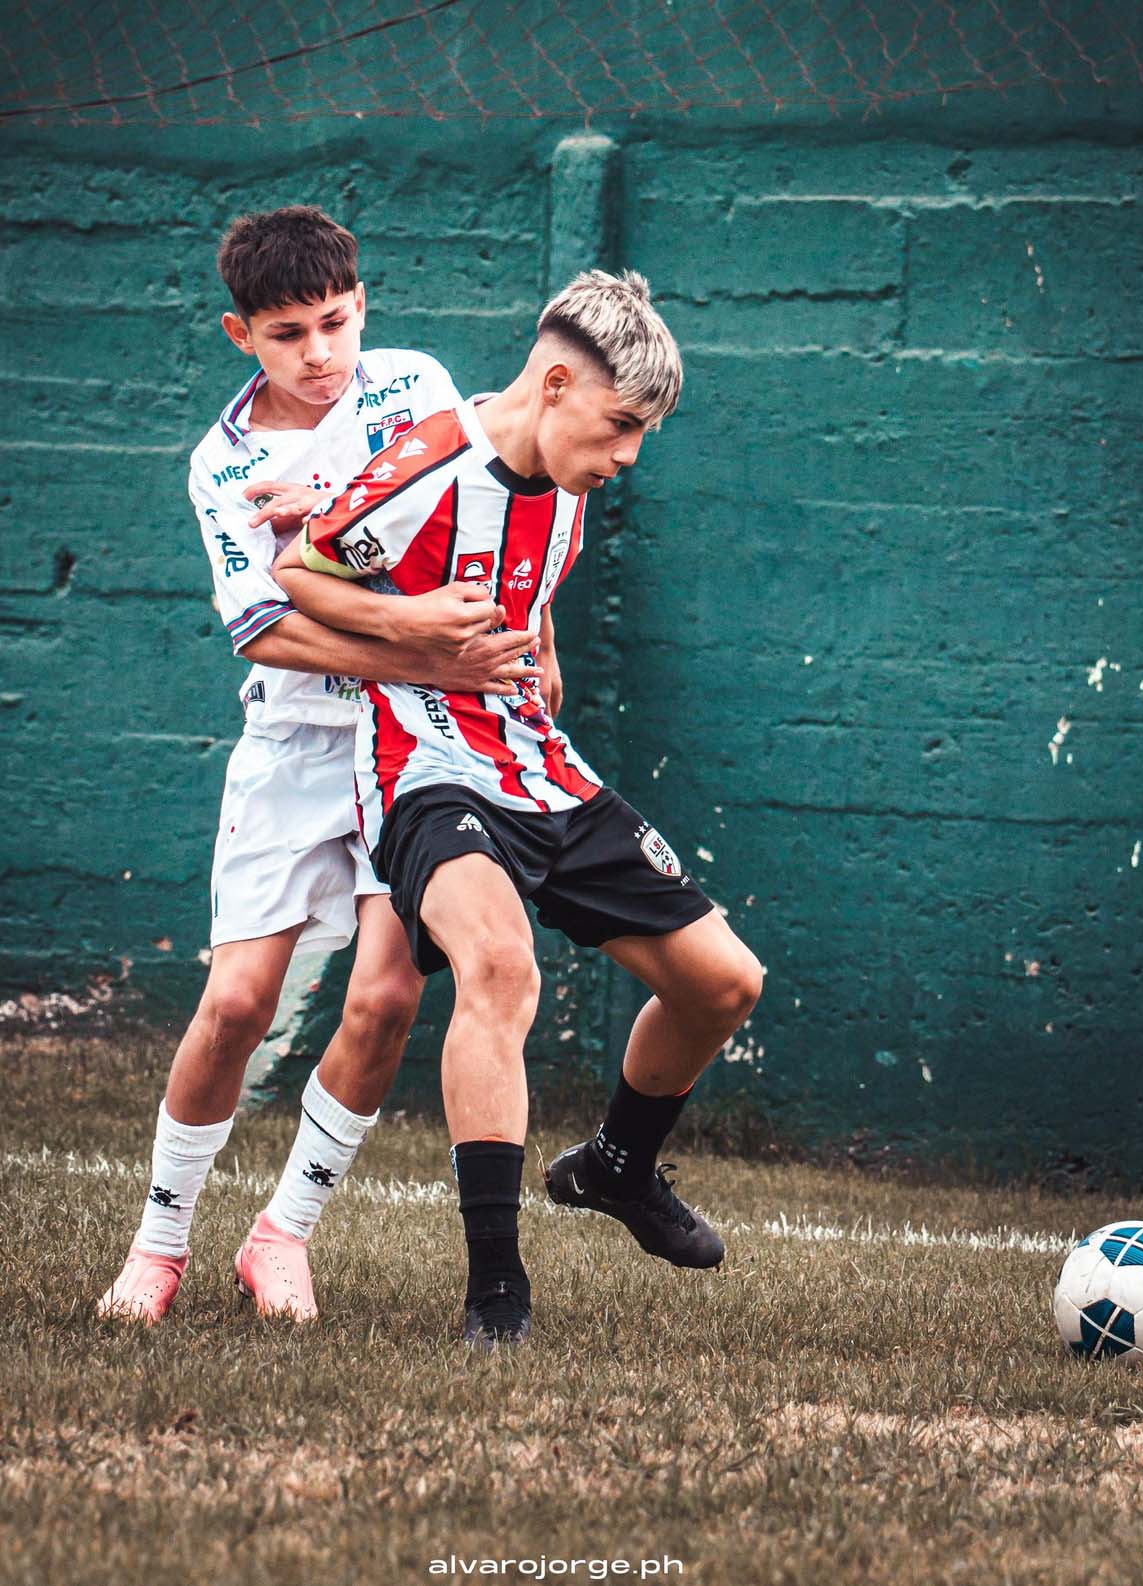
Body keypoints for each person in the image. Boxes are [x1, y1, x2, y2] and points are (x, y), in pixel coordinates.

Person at [274, 269, 763, 1349]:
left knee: (725, 982)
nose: (628, 452)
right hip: (424, 760)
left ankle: (616, 1167)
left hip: (542, 766)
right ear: (552, 383)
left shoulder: (571, 483)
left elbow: (526, 593)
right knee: (500, 963)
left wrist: (540, 658)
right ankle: (496, 1289)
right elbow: (298, 573)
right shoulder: (428, 462)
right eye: (621, 424)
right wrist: (412, 627)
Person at [98, 207, 538, 1325]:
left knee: (387, 995)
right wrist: (418, 632)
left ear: (363, 307)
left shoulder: (418, 389)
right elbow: (265, 628)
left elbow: (487, 529)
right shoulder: (224, 461)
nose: (321, 352)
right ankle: (158, 1246)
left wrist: (489, 647)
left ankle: (280, 1234)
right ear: (240, 333)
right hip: (295, 743)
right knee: (238, 998)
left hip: (413, 736)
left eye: (336, 322)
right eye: (288, 332)